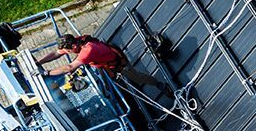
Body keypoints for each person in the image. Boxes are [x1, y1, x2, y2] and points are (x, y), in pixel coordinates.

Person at [38, 34, 168, 94]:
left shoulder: (88, 50)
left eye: (67, 51)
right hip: (100, 63)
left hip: (115, 64)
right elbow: (56, 53)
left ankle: (159, 84)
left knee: (137, 77)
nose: (66, 53)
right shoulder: (75, 42)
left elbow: (69, 67)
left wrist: (47, 73)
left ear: (73, 46)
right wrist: (39, 62)